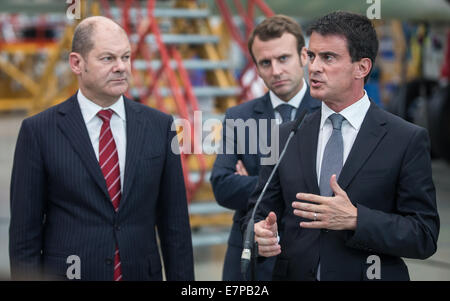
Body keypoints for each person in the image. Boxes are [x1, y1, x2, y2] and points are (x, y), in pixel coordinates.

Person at [245, 11, 440, 281]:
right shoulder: (284, 136)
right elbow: (259, 214)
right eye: (312, 56)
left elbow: (424, 235)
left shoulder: (406, 139)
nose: (313, 67)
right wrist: (262, 236)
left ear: (362, 67)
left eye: (328, 57)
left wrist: (358, 219)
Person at [9, 16, 194, 281]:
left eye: (126, 57)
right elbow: (24, 237)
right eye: (108, 59)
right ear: (77, 63)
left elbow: (175, 226)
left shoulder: (160, 126)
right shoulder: (38, 132)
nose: (121, 67)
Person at [210, 15, 320, 280]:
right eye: (265, 63)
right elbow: (222, 185)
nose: (276, 71)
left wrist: (259, 184)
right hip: (251, 258)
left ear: (303, 56)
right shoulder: (240, 116)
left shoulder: (328, 113)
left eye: (284, 58)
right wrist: (298, 187)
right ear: (257, 68)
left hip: (310, 256)